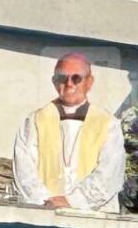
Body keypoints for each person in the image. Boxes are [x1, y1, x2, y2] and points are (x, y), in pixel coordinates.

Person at [13, 53, 125, 212]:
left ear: (89, 82)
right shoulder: (34, 121)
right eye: (62, 78)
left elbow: (109, 175)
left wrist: (72, 201)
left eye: (76, 78)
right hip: (44, 215)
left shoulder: (108, 124)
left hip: (93, 217)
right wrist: (45, 202)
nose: (69, 84)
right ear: (54, 82)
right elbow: (24, 171)